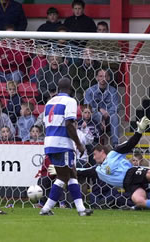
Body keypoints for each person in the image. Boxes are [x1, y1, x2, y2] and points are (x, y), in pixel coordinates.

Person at [75, 116, 150, 212]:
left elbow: (129, 144)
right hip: (128, 185)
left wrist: (139, 131)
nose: (94, 157)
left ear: (102, 152)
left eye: (95, 154)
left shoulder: (113, 153)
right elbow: (80, 171)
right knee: (139, 201)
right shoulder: (97, 170)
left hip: (132, 173)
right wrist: (62, 169)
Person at [39, 77, 92, 216]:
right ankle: (45, 209)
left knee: (71, 173)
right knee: (63, 177)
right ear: (70, 89)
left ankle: (81, 209)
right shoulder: (70, 101)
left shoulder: (49, 102)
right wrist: (79, 144)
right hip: (62, 144)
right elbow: (69, 124)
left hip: (49, 142)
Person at [84, 68, 120, 147]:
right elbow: (86, 108)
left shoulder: (113, 91)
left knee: (115, 116)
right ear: (97, 77)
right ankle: (95, 143)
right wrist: (99, 111)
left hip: (108, 119)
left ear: (108, 78)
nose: (103, 79)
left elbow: (116, 107)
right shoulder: (90, 91)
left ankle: (116, 144)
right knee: (96, 115)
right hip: (95, 119)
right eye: (100, 76)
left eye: (105, 76)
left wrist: (106, 114)